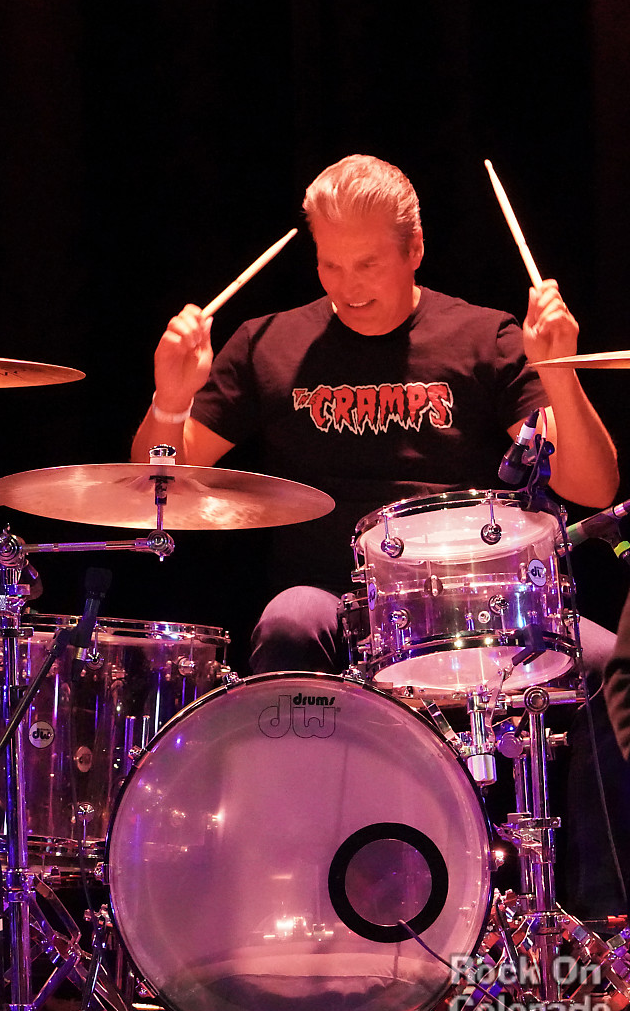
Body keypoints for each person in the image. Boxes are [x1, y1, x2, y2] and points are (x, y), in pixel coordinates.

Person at [131, 154, 619, 676]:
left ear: (415, 249)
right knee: (289, 621)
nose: (348, 287)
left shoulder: (485, 337)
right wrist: (171, 399)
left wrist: (557, 371)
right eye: (331, 265)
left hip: (476, 603)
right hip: (330, 600)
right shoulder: (267, 343)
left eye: (368, 264)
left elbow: (593, 488)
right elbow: (159, 490)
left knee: (616, 667)